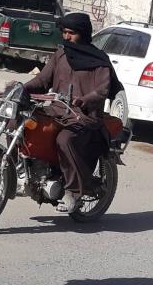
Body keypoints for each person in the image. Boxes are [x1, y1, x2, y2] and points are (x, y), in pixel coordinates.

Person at [21, 13, 122, 213]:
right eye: (64, 32)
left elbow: (102, 90)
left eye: (71, 33)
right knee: (21, 124)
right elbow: (42, 80)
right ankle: (27, 172)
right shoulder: (61, 55)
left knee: (65, 140)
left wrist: (84, 100)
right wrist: (21, 89)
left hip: (83, 117)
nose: (66, 37)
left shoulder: (99, 60)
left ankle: (73, 192)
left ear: (83, 34)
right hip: (56, 111)